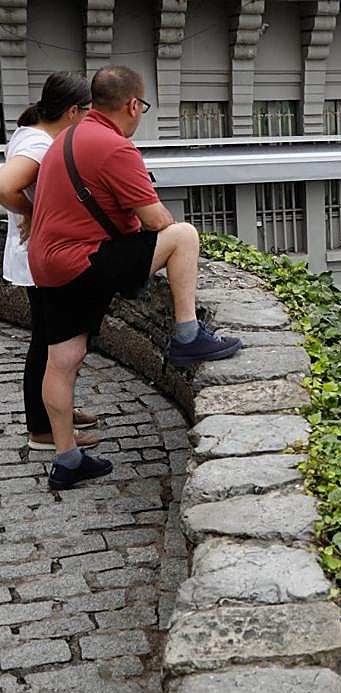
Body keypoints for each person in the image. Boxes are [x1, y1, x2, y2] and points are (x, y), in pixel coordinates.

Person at [28, 65, 242, 491]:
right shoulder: (114, 146)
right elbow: (158, 221)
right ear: (132, 104)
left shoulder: (66, 138)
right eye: (142, 107)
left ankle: (67, 459)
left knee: (62, 360)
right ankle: (187, 336)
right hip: (81, 261)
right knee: (184, 236)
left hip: (45, 263)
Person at [0, 72, 98, 452]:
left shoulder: (32, 134)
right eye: (87, 110)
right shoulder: (40, 145)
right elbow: (6, 186)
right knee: (47, 346)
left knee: (46, 341)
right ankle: (42, 428)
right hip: (39, 259)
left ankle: (56, 411)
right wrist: (31, 213)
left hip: (30, 258)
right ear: (73, 111)